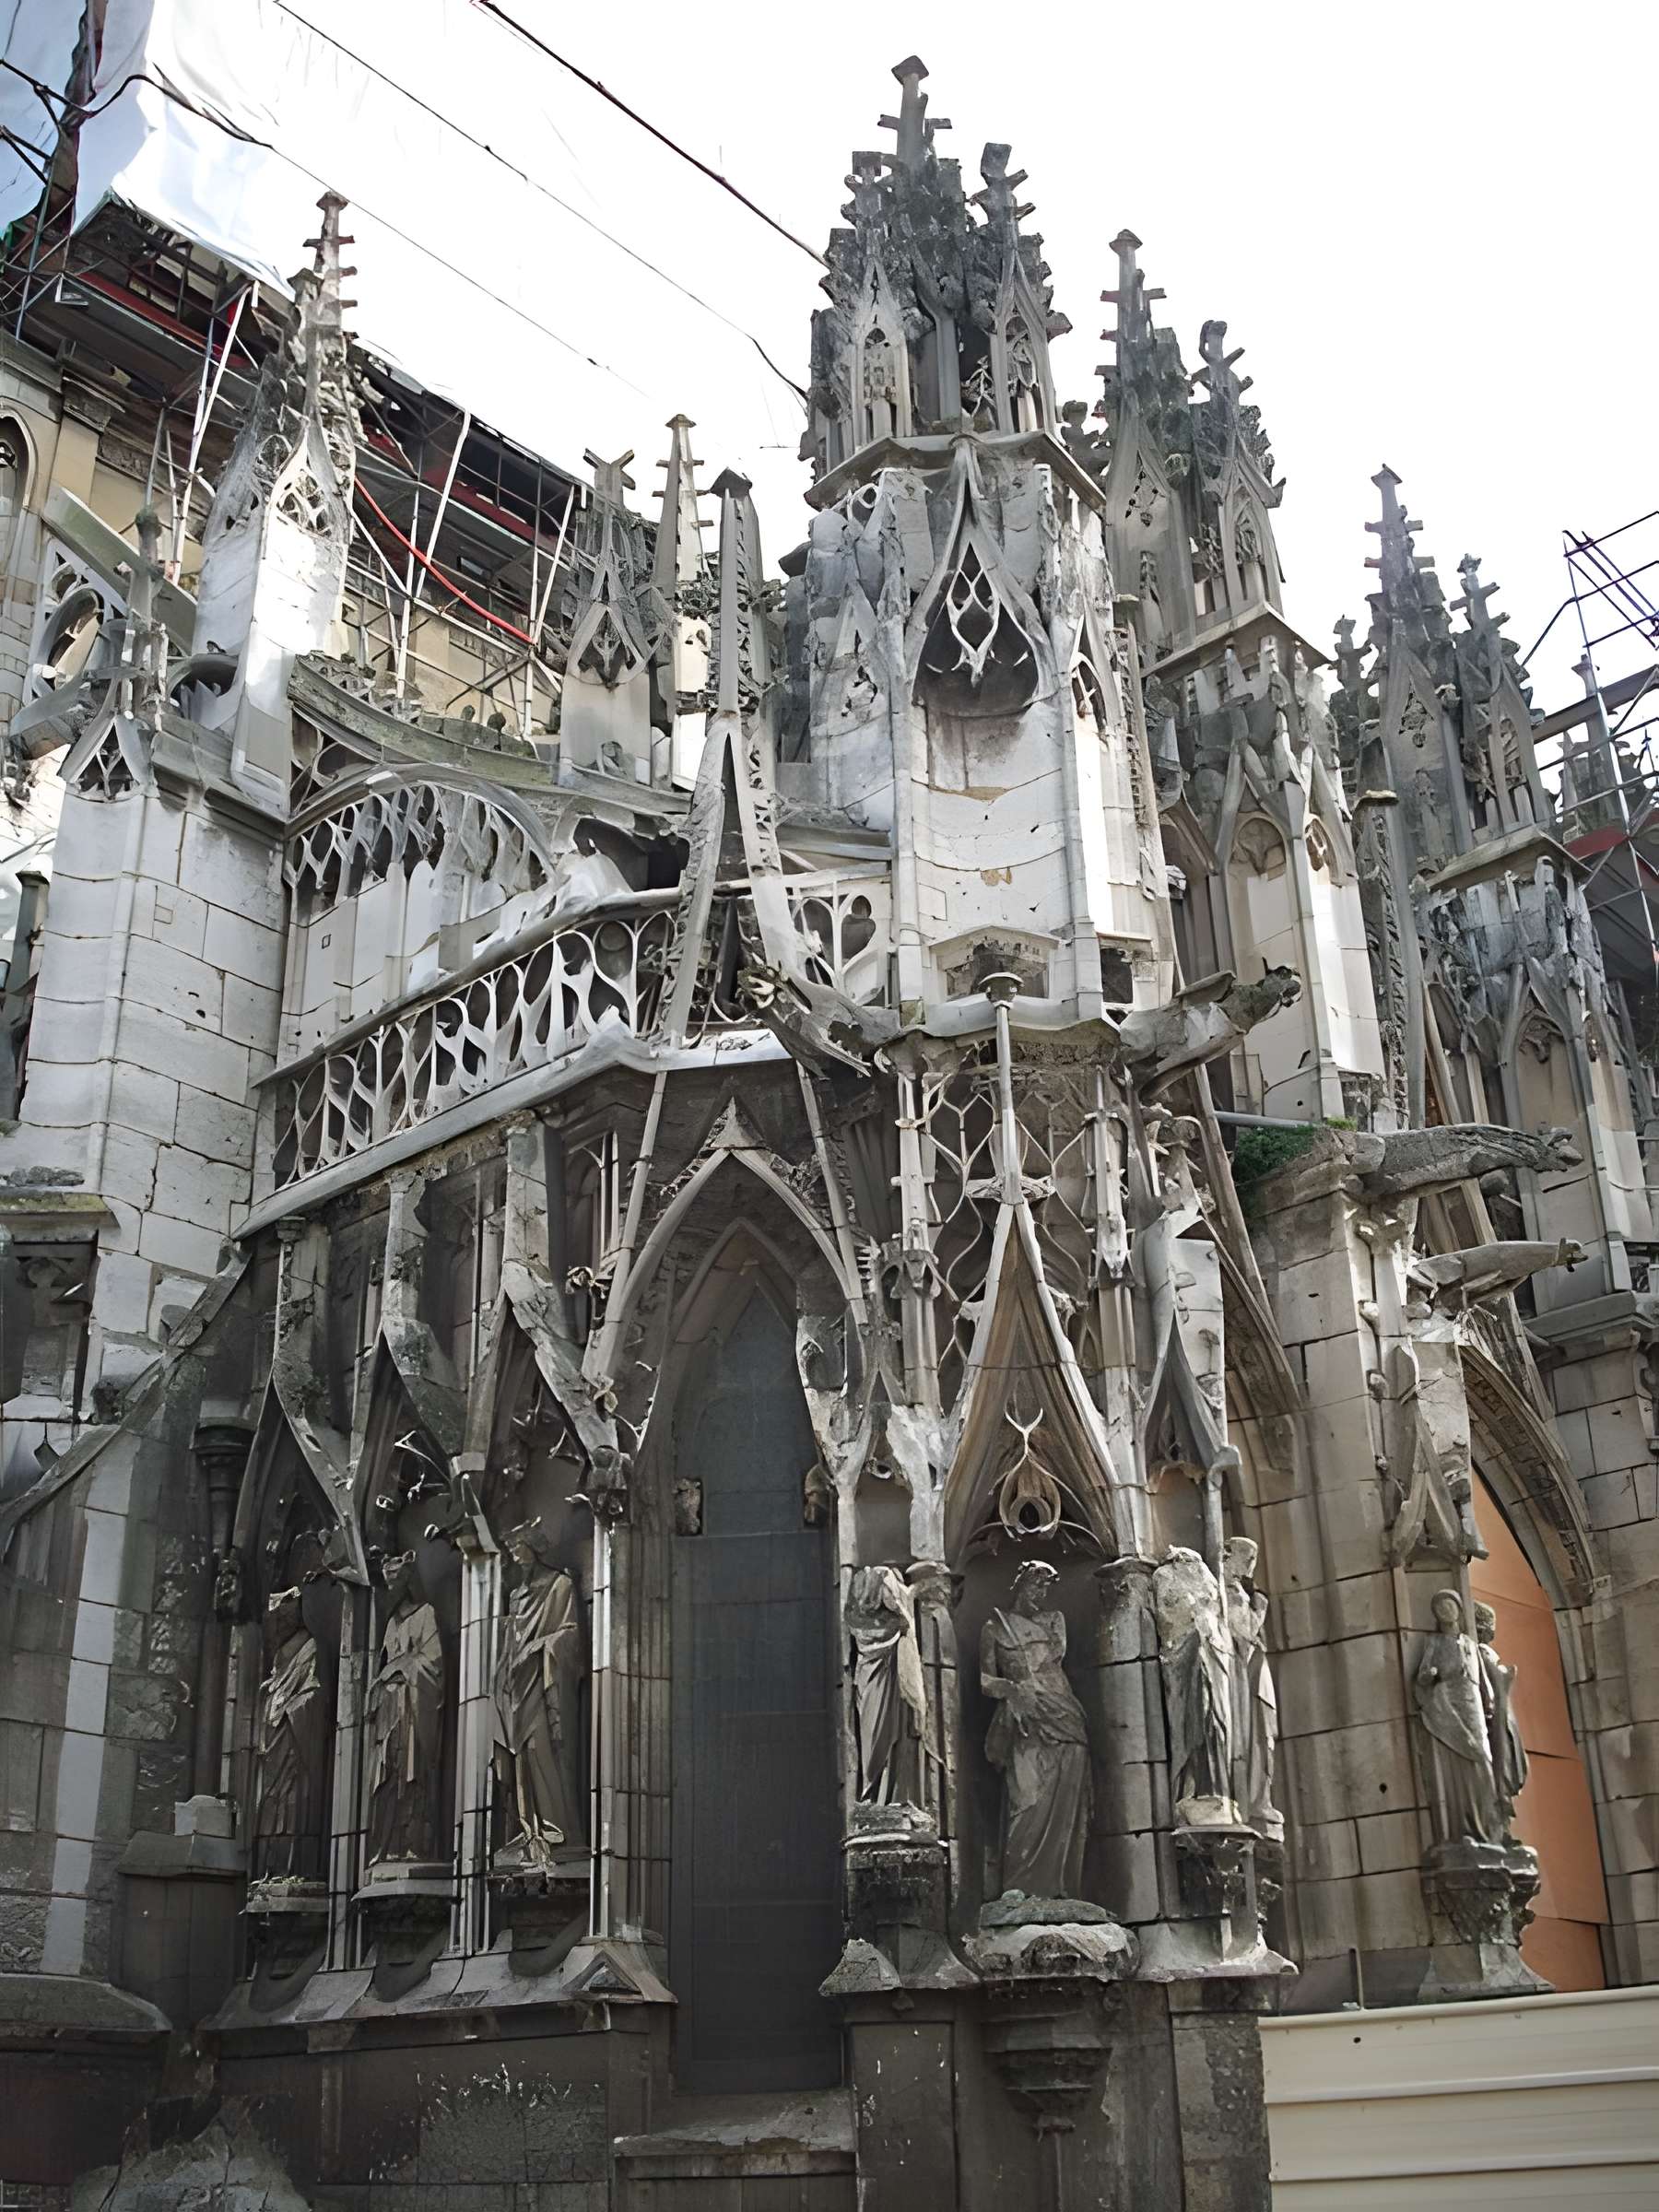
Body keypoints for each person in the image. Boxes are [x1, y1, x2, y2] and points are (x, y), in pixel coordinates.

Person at [980, 1560, 1091, 1898]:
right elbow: (985, 1680)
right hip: (1025, 1719)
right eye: (1035, 1585)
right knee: (1026, 1798)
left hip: (1064, 1715)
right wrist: (1012, 1690)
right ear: (1020, 1586)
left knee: (1066, 1797)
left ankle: (1061, 1888)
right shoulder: (995, 1627)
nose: (1041, 1594)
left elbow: (1055, 1665)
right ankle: (1020, 1887)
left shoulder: (1053, 1621)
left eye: (1046, 1587)